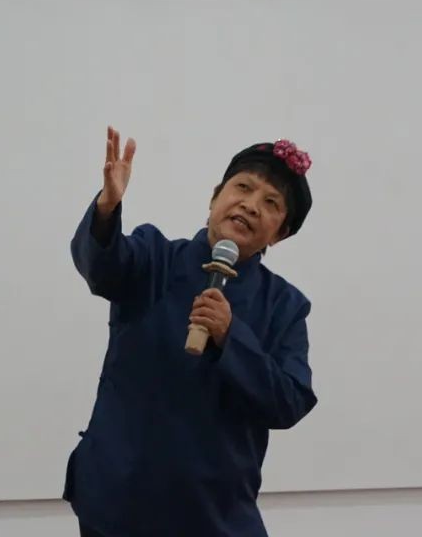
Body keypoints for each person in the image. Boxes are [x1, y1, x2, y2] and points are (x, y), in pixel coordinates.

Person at [63, 126, 318, 537]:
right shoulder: (154, 255)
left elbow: (289, 402)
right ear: (215, 197)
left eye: (271, 203)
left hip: (215, 513)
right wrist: (107, 209)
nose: (251, 205)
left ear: (281, 232)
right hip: (119, 501)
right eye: (243, 187)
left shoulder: (284, 306)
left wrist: (230, 336)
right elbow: (102, 268)